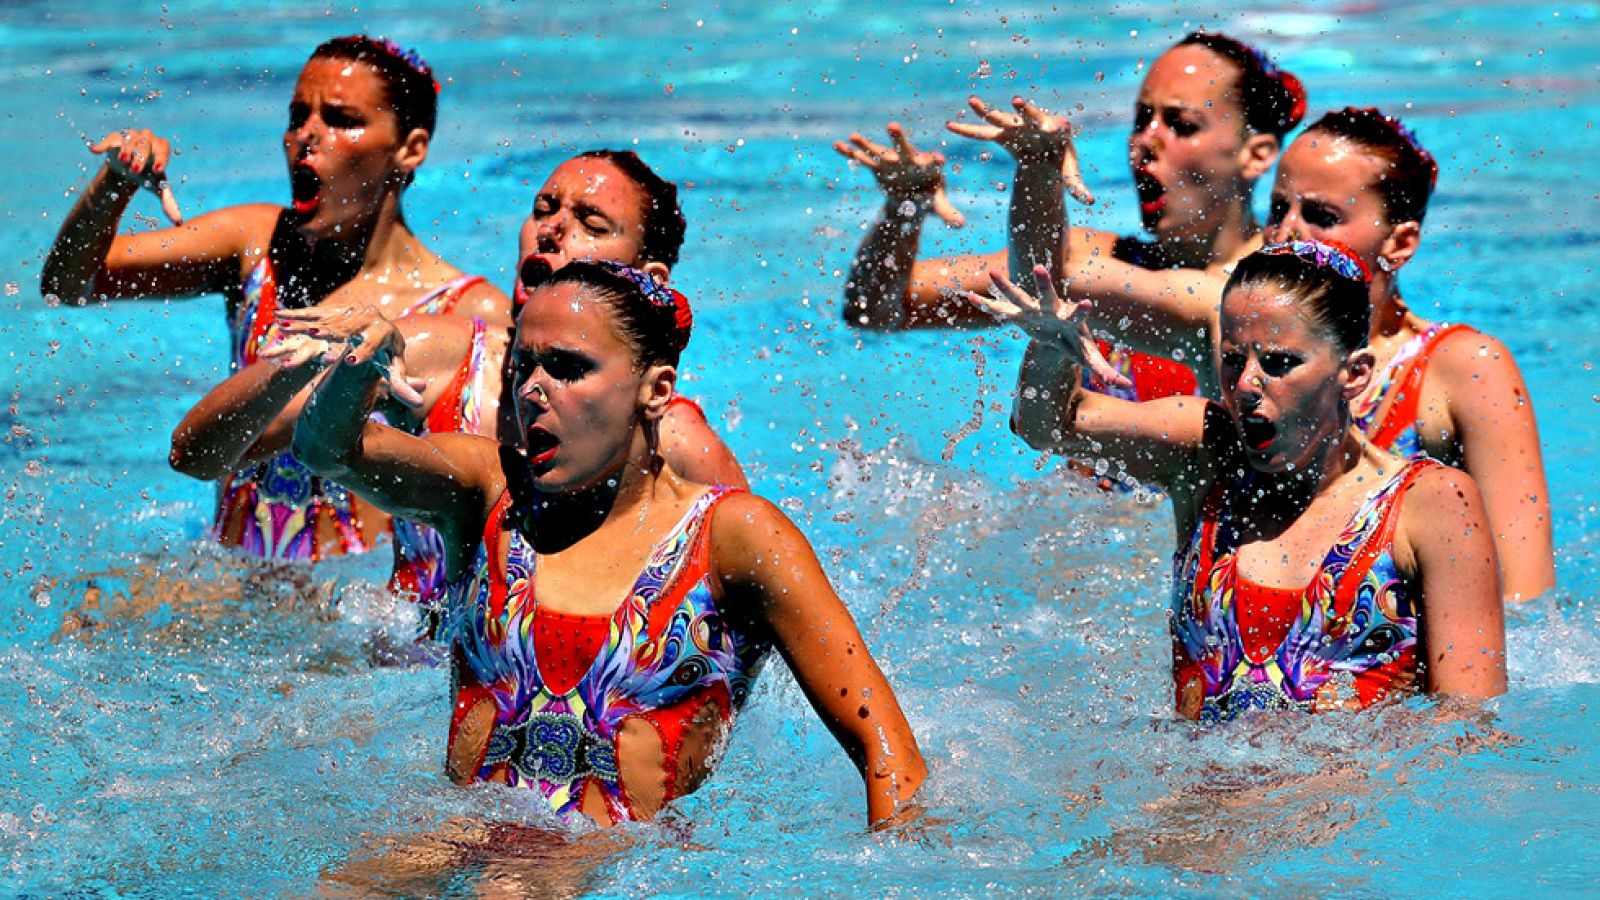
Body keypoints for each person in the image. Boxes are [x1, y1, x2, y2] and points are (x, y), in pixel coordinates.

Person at [280, 261, 926, 826]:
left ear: (656, 390)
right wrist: (356, 366)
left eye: (567, 368)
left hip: (624, 871)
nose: (532, 388)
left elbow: (886, 751)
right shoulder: (488, 492)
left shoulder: (733, 535)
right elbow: (326, 450)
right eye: (523, 366)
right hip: (456, 840)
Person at [968, 241, 1506, 721]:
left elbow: (1466, 728)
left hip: (1350, 821)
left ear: (1355, 373)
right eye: (1231, 360)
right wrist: (1050, 347)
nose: (1246, 383)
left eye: (1278, 362)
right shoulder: (1205, 456)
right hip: (1196, 812)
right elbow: (1047, 427)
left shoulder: (1431, 504)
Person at [41, 35, 513, 563]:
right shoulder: (259, 245)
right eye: (297, 116)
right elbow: (70, 284)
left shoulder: (467, 315)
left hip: (347, 605)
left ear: (411, 148)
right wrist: (115, 183)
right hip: (227, 582)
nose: (306, 136)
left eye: (341, 119)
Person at [836, 32, 1304, 402]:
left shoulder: (1294, 287)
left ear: (1256, 155)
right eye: (1142, 120)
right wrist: (904, 209)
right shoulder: (1079, 258)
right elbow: (871, 310)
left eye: (1181, 125)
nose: (1146, 141)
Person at [1261, 107, 1553, 602]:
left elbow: (1526, 598)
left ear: (1399, 244)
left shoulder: (1464, 368)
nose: (1286, 234)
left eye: (1322, 217)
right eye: (1277, 210)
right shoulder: (1245, 352)